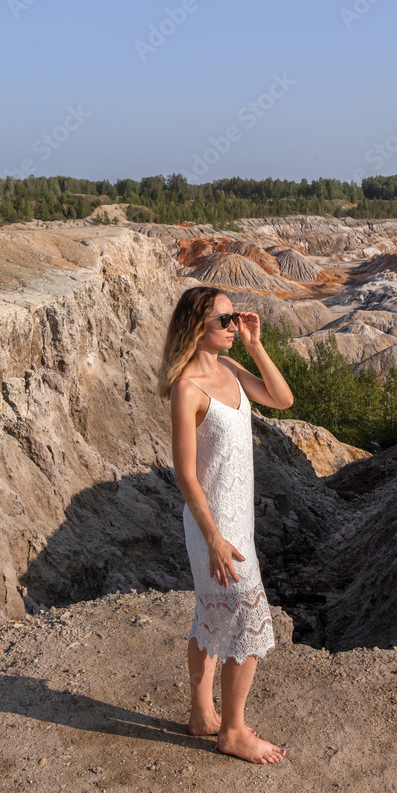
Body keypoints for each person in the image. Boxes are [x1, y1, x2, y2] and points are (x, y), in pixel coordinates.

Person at [157, 285, 293, 764]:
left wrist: (255, 346)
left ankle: (200, 712)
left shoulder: (231, 369)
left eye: (235, 317)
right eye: (225, 320)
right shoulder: (186, 389)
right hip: (213, 527)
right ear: (198, 328)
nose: (234, 326)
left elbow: (282, 398)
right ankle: (232, 732)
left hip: (239, 518)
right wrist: (213, 537)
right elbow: (185, 474)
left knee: (211, 615)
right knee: (248, 619)